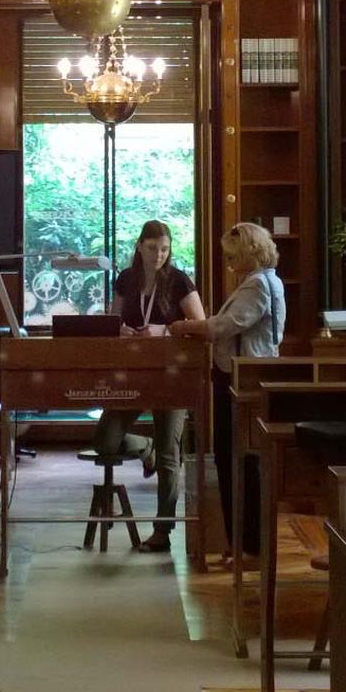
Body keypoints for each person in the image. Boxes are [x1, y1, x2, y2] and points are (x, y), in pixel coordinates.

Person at [170, 221, 286, 558]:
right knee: (232, 458)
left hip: (243, 378)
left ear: (250, 252)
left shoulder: (258, 286)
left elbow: (225, 326)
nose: (228, 262)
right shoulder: (263, 281)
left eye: (232, 255)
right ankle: (241, 543)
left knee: (239, 460)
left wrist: (185, 326)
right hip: (240, 373)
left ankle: (247, 545)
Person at [92, 220, 205, 553]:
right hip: (133, 373)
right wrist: (121, 331)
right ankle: (146, 449)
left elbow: (200, 327)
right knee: (105, 439)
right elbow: (113, 322)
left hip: (172, 375)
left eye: (165, 249)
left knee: (171, 457)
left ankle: (162, 531)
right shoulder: (126, 279)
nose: (159, 255)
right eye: (153, 248)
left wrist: (163, 332)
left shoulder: (179, 280)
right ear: (140, 246)